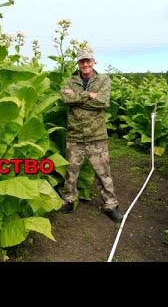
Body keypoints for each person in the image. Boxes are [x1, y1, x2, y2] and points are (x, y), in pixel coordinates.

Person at [58, 46, 124, 222]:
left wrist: (78, 97)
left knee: (103, 173)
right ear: (78, 63)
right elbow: (65, 98)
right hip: (75, 135)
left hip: (97, 135)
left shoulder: (103, 79)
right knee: (71, 172)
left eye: (88, 60)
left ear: (94, 61)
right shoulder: (70, 81)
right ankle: (68, 200)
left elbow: (103, 102)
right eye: (82, 61)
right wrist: (90, 96)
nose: (85, 64)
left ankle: (111, 205)